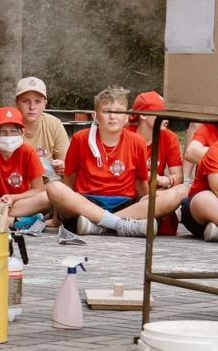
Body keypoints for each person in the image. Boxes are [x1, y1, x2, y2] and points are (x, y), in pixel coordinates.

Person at [52, 87, 161, 238]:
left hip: (125, 203)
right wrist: (61, 210)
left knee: (176, 193)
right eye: (106, 111)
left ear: (127, 117)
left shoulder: (137, 142)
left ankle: (101, 225)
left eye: (118, 112)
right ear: (95, 115)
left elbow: (140, 184)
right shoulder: (80, 138)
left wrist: (147, 204)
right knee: (54, 188)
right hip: (87, 203)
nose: (112, 117)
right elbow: (69, 180)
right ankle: (119, 225)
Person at [0, 106, 65, 229]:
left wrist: (13, 198)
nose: (8, 136)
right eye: (2, 132)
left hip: (19, 202)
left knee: (47, 197)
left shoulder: (28, 152)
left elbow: (38, 189)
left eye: (13, 131)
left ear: (22, 132)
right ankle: (14, 221)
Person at [127, 90, 188, 230]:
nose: (166, 117)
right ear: (142, 114)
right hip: (129, 192)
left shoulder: (169, 137)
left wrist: (167, 180)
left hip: (155, 193)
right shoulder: (126, 134)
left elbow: (178, 176)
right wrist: (146, 176)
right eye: (160, 112)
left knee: (183, 190)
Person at [12, 77, 70, 181]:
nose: (32, 107)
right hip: (9, 184)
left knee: (58, 188)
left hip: (45, 189)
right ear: (16, 103)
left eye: (38, 101)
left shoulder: (54, 124)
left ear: (45, 104)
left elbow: (69, 167)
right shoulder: (3, 124)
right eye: (25, 101)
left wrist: (63, 167)